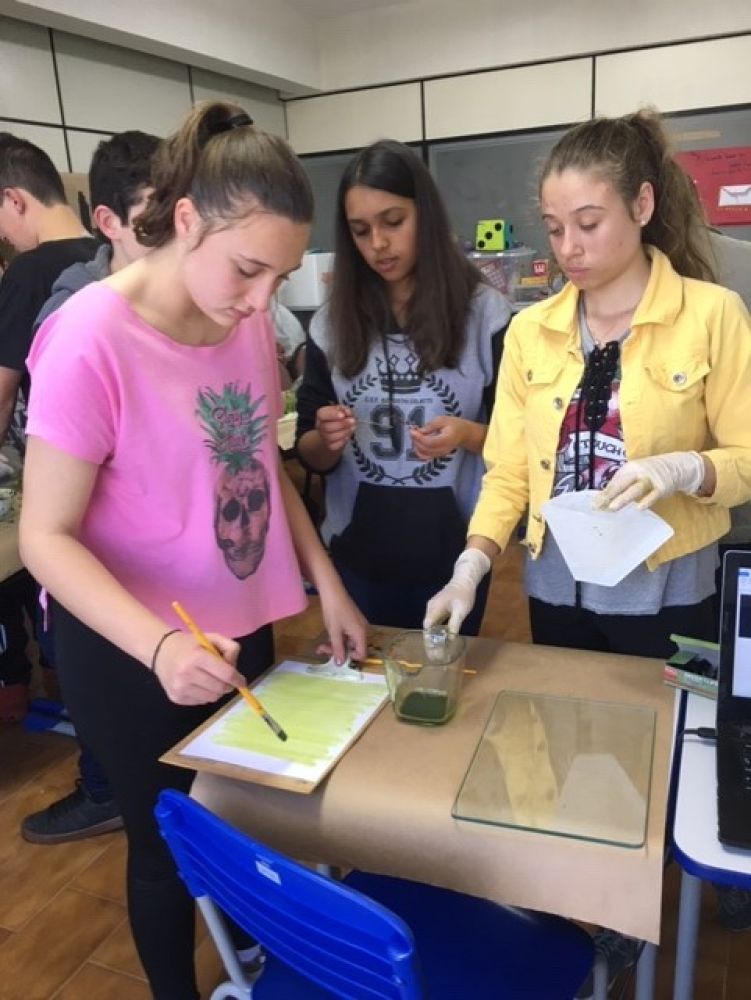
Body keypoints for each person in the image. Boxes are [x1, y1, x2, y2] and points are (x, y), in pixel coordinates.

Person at [19, 101, 366, 1000]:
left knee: (244, 814)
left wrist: (325, 582)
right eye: (248, 269)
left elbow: (259, 466)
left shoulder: (241, 320)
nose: (260, 302)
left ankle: (248, 948)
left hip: (237, 621)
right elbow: (43, 536)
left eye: (279, 277)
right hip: (132, 645)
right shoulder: (90, 336)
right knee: (166, 842)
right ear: (184, 219)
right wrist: (161, 646)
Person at [424, 109, 751, 986]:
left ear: (641, 206)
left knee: (667, 750)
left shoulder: (710, 316)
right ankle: (610, 906)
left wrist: (686, 467)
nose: (567, 247)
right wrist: (472, 562)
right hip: (559, 582)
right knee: (578, 741)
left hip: (666, 582)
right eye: (554, 227)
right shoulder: (532, 331)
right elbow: (506, 470)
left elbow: (748, 455)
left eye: (588, 222)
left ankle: (686, 873)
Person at [295, 139, 512, 633]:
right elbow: (310, 453)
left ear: (426, 216)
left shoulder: (485, 315)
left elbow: (518, 443)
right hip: (358, 554)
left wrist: (467, 434)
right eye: (360, 231)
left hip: (456, 554)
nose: (378, 243)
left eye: (393, 222)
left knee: (448, 670)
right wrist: (326, 440)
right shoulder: (331, 324)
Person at [21, 129, 160, 847]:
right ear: (109, 222)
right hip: (100, 566)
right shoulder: (76, 318)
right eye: (155, 225)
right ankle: (105, 788)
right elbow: (51, 526)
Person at [0, 132, 97, 722]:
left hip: (61, 473)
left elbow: (2, 395)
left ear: (14, 199)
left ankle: (90, 750)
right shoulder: (108, 252)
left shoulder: (29, 273)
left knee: (64, 608)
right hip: (116, 479)